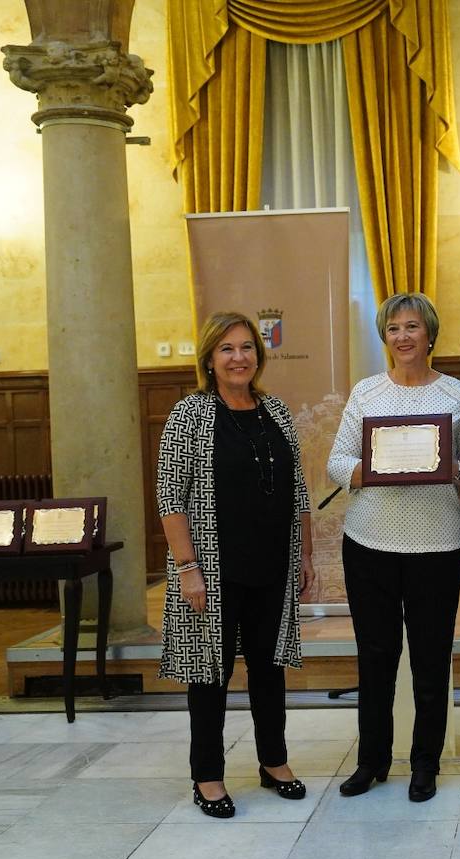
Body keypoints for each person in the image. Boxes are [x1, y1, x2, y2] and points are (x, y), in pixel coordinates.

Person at [156, 310, 315, 818]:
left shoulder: (277, 411)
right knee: (210, 673)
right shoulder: (189, 415)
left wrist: (306, 555)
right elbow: (170, 498)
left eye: (247, 347)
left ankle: (274, 762)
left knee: (269, 669)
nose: (239, 357)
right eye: (227, 349)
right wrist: (186, 567)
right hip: (213, 570)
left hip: (272, 562)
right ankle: (208, 775)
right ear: (209, 358)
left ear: (258, 355)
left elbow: (299, 491)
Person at [327, 292, 460, 803]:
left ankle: (425, 763)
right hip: (370, 542)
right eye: (393, 329)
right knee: (376, 657)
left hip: (437, 543)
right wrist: (372, 468)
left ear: (430, 334)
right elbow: (337, 462)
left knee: (431, 658)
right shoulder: (366, 393)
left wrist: (453, 469)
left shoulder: (457, 395)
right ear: (384, 338)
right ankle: (372, 761)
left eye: (412, 327)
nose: (403, 337)